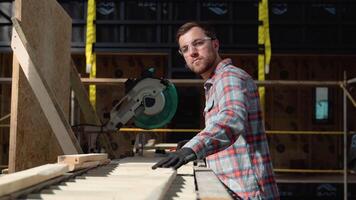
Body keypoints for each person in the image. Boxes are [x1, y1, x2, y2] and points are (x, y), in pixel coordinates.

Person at [152, 21, 280, 200]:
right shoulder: (215, 83)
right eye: (185, 49)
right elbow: (229, 133)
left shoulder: (229, 77)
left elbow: (231, 119)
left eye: (198, 43)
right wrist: (195, 142)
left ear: (215, 44)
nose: (192, 53)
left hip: (247, 193)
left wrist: (192, 149)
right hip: (236, 189)